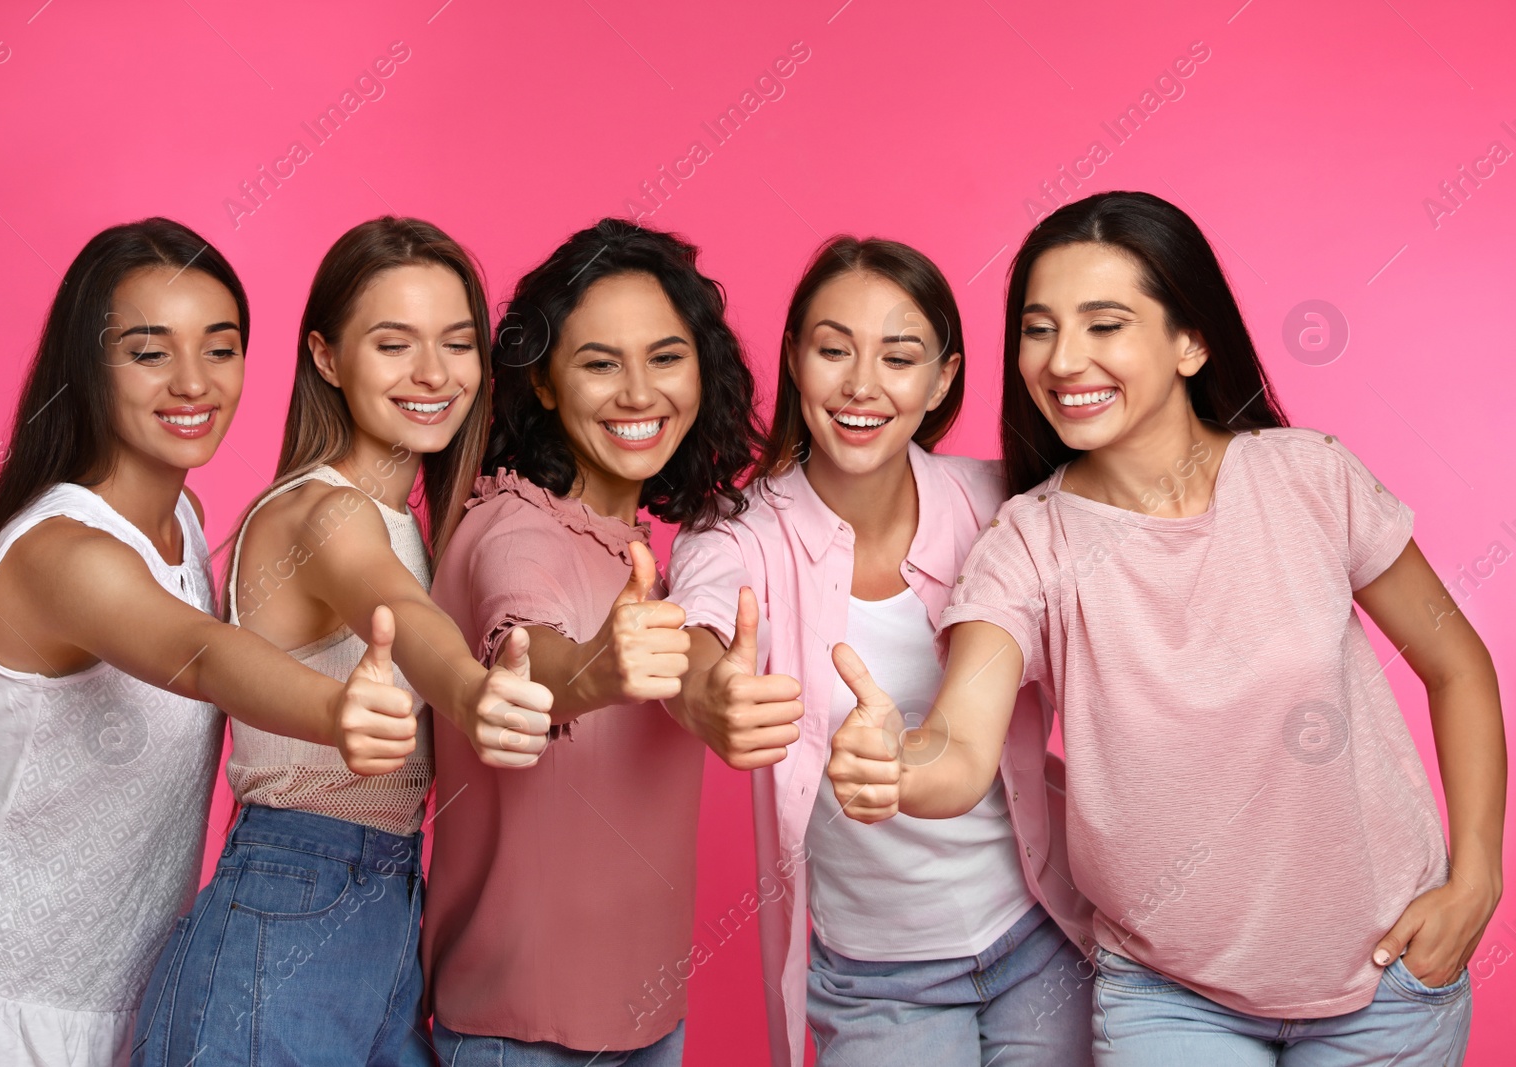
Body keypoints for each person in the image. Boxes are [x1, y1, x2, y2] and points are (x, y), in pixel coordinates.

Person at [828, 191, 1504, 1066]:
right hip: (1172, 998)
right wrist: (896, 764)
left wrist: (1478, 872)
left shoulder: (1310, 479)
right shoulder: (1028, 541)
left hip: (1387, 983)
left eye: (1104, 325)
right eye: (1038, 329)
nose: (1063, 360)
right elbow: (959, 746)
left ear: (1191, 341)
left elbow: (1458, 664)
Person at [0, 218, 415, 1067]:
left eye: (220, 349)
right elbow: (202, 654)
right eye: (150, 352)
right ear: (89, 366)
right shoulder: (66, 554)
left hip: (115, 1011)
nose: (193, 381)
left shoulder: (182, 524)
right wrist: (336, 706)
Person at [131, 217, 552, 1067]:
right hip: (292, 898)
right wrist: (473, 692)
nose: (434, 374)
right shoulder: (323, 514)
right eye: (394, 344)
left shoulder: (412, 526)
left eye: (457, 343)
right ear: (326, 357)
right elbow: (392, 605)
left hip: (384, 906)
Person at [667, 236, 1095, 1067]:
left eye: (898, 357)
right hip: (877, 981)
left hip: (1039, 936)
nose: (861, 385)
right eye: (834, 349)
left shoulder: (1001, 504)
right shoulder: (738, 531)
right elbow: (699, 628)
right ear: (794, 358)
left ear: (941, 379)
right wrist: (709, 691)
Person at [424, 219, 761, 1066]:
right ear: (541, 382)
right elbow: (527, 646)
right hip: (522, 1036)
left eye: (666, 356)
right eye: (600, 363)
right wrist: (590, 672)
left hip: (645, 1023)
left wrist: (716, 695)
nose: (639, 392)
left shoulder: (637, 547)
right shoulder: (514, 527)